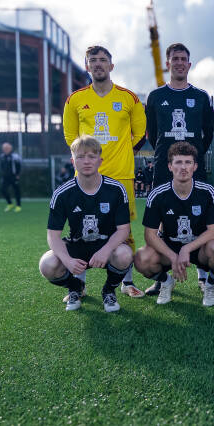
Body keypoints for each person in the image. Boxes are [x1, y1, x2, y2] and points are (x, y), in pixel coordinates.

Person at [62, 45, 147, 299]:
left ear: (112, 65)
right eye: (93, 61)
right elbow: (70, 136)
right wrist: (89, 160)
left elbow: (140, 133)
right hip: (86, 177)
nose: (98, 64)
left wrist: (120, 152)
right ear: (87, 66)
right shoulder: (75, 99)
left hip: (121, 174)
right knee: (80, 228)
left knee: (125, 230)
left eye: (103, 60)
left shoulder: (128, 98)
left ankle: (127, 281)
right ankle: (80, 284)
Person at [145, 43, 214, 295]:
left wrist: (192, 153)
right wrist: (168, 154)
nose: (179, 63)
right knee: (164, 218)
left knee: (199, 214)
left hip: (193, 167)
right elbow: (152, 134)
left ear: (189, 64)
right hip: (166, 166)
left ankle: (203, 272)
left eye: (183, 59)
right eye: (174, 59)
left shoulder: (200, 96)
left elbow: (208, 133)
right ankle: (164, 276)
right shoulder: (155, 97)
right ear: (167, 64)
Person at [37, 135, 134, 313]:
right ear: (73, 161)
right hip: (77, 245)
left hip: (106, 245)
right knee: (47, 264)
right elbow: (53, 235)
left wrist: (105, 250)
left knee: (125, 254)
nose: (86, 161)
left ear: (100, 160)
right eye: (80, 157)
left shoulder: (116, 189)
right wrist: (67, 260)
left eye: (91, 156)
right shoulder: (62, 193)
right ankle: (76, 286)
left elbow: (123, 230)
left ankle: (108, 291)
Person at [133, 141, 214, 306]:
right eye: (178, 162)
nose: (183, 167)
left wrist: (186, 249)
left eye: (188, 162)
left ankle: (209, 285)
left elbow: (213, 232)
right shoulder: (157, 194)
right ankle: (166, 282)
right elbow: (150, 235)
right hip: (169, 247)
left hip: (199, 248)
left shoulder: (207, 191)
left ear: (195, 166)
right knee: (142, 258)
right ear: (170, 166)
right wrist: (173, 256)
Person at [0, 142, 22, 212]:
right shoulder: (2, 156)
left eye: (7, 148)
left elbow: (19, 166)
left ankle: (18, 206)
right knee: (3, 189)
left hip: (14, 176)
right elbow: (2, 166)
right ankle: (10, 204)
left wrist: (18, 174)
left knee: (16, 190)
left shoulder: (15, 156)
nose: (5, 149)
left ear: (10, 148)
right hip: (5, 177)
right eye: (4, 148)